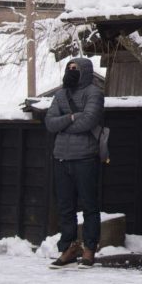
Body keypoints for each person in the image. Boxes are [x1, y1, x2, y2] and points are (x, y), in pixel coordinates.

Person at [44, 56, 104, 269]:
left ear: (85, 71)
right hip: (61, 156)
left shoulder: (94, 93)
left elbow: (89, 120)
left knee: (89, 205)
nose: (71, 70)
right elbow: (50, 123)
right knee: (65, 207)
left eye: (75, 68)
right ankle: (67, 247)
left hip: (86, 157)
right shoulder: (60, 94)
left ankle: (89, 248)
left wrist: (64, 125)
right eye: (69, 67)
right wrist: (70, 118)